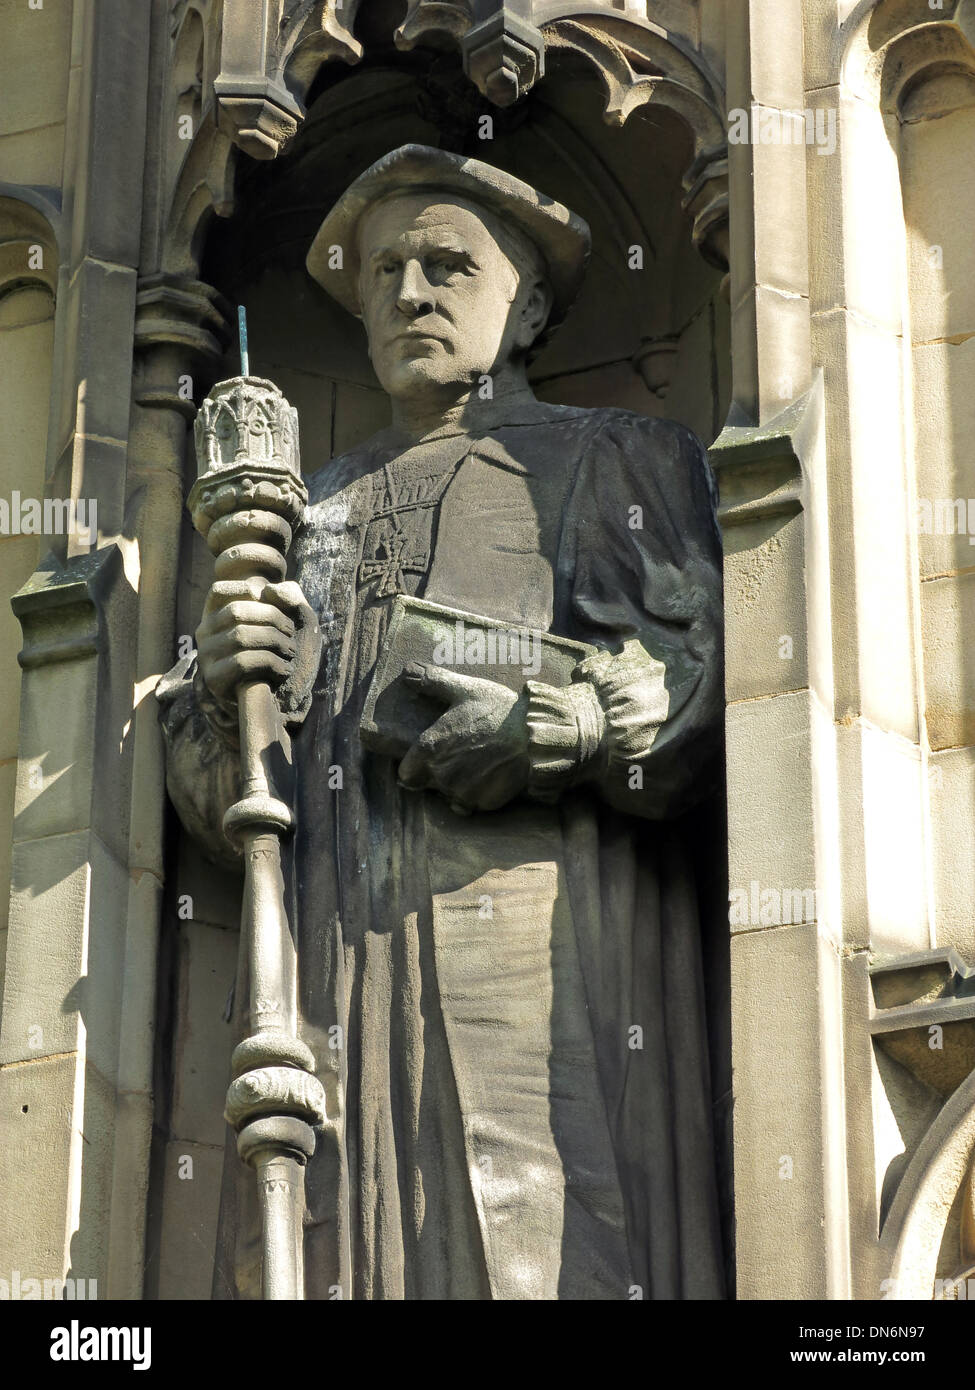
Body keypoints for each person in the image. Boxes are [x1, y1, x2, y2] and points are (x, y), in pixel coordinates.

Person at [159, 144, 726, 1300]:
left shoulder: (616, 458)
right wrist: (225, 687)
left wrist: (565, 728)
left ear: (525, 313)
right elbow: (225, 794)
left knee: (542, 1236)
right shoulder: (302, 516)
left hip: (539, 940)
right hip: (335, 960)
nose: (408, 292)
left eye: (445, 265)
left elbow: (700, 677)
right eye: (382, 275)